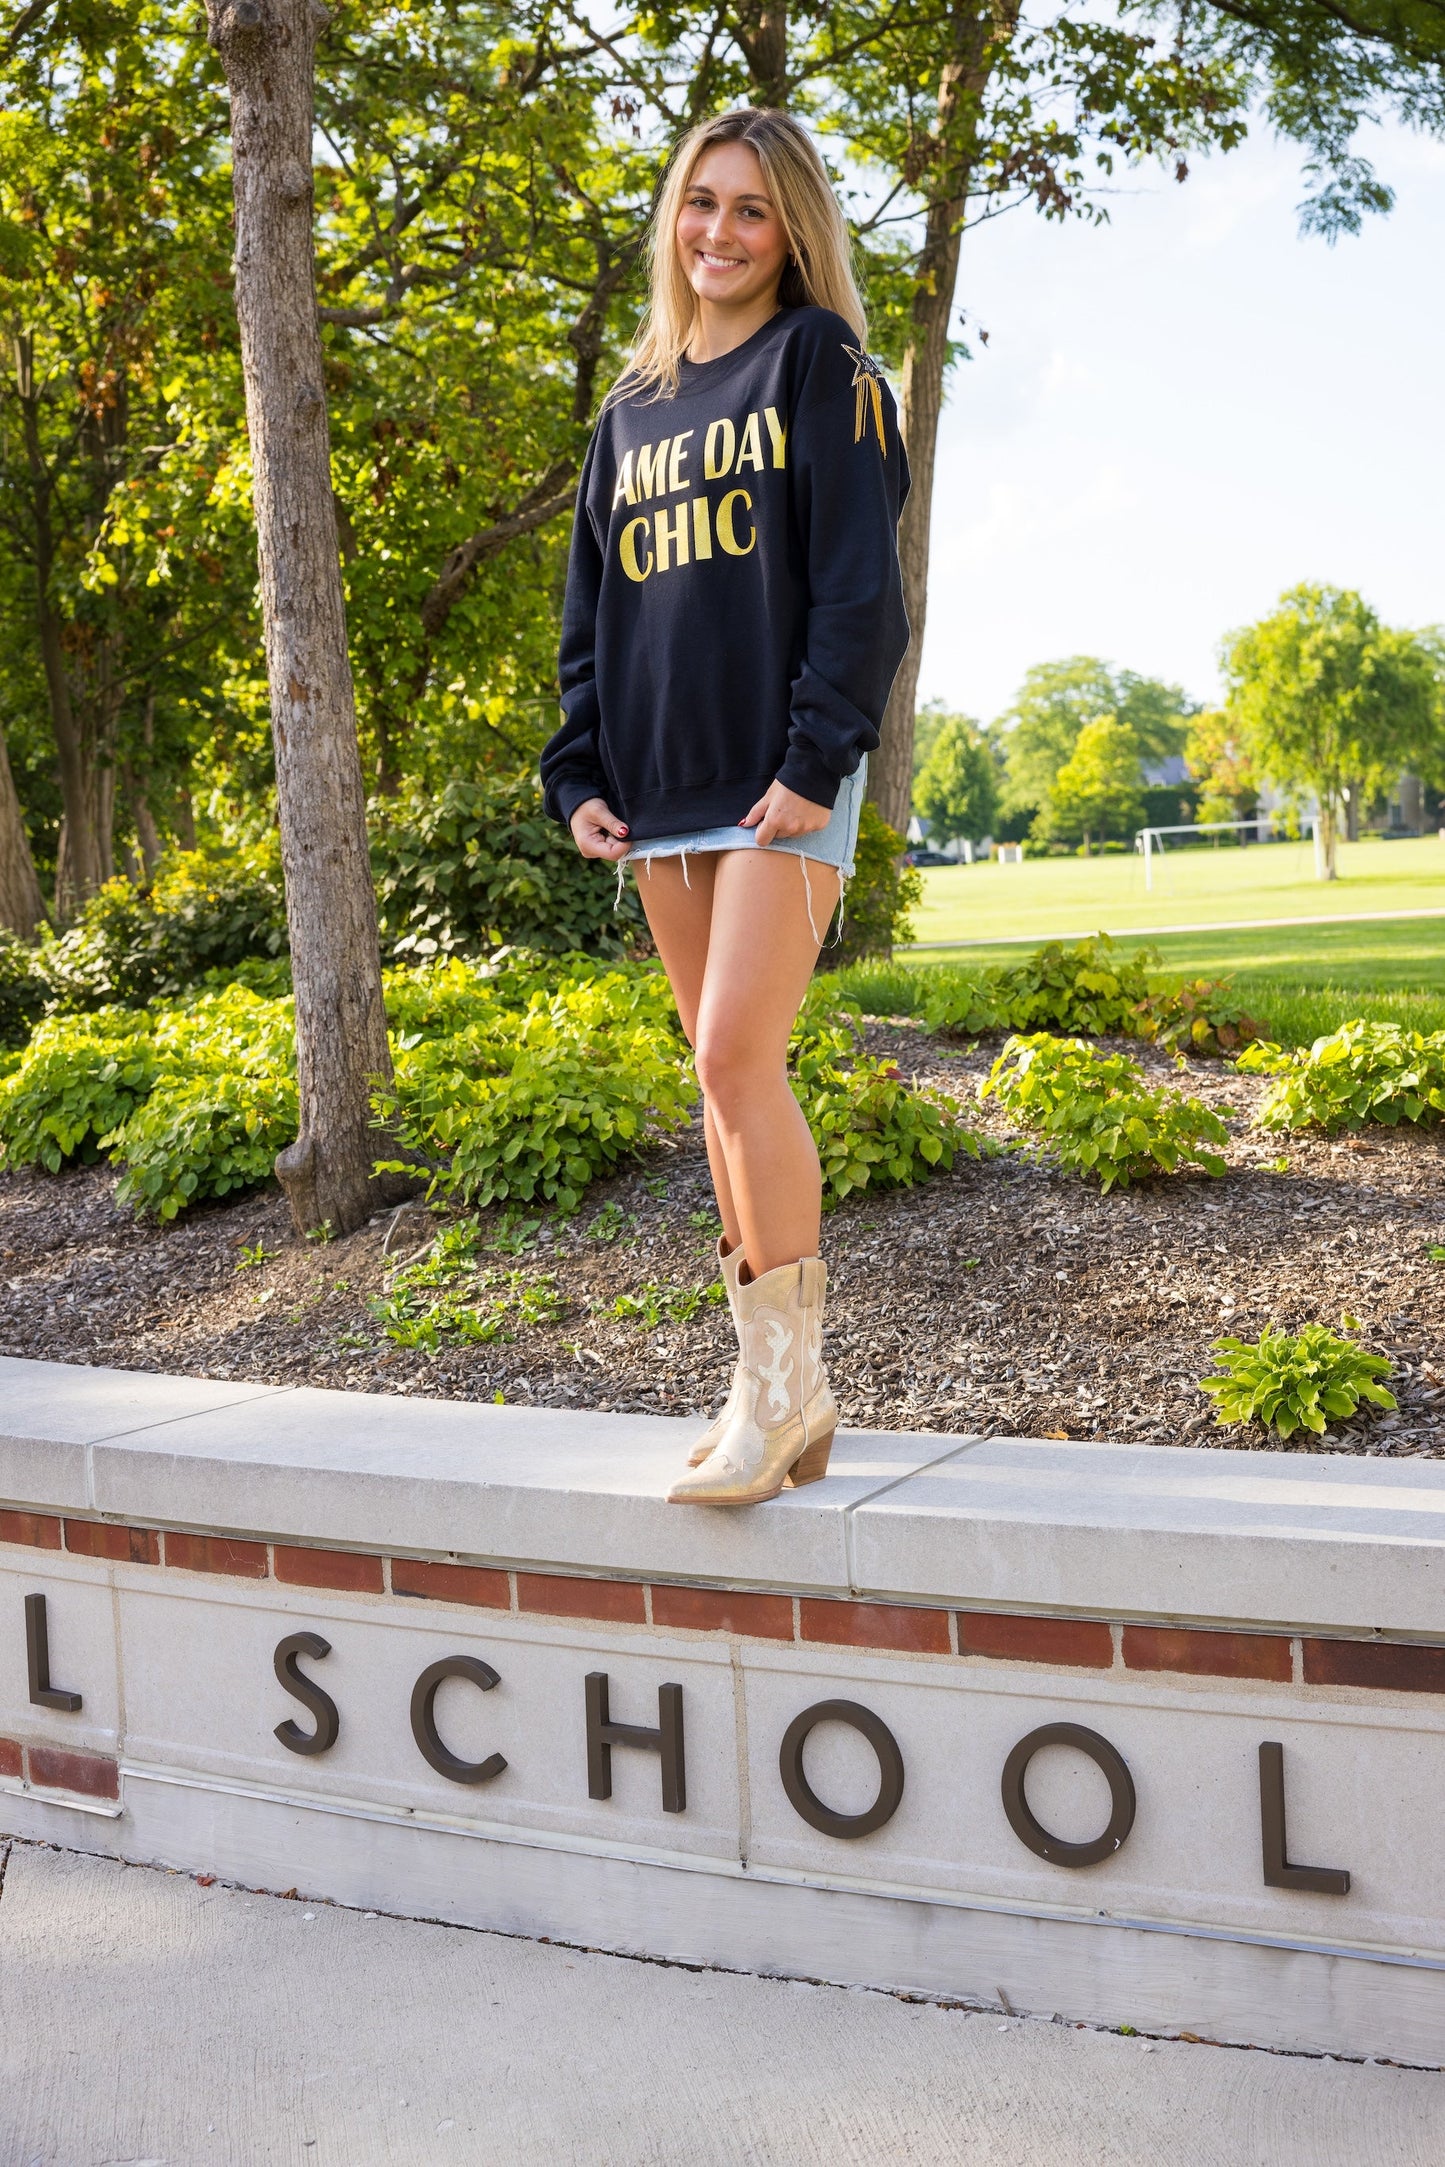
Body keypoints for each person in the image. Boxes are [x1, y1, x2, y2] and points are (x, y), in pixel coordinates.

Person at [541, 106, 910, 1506]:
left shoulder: (819, 364)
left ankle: (786, 1392)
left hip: (778, 776)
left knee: (731, 1065)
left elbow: (862, 592)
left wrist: (815, 761)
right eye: (702, 203)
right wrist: (576, 770)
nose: (720, 233)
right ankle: (773, 1399)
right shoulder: (628, 410)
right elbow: (592, 614)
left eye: (751, 210)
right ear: (671, 217)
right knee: (715, 1084)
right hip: (659, 785)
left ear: (792, 228)